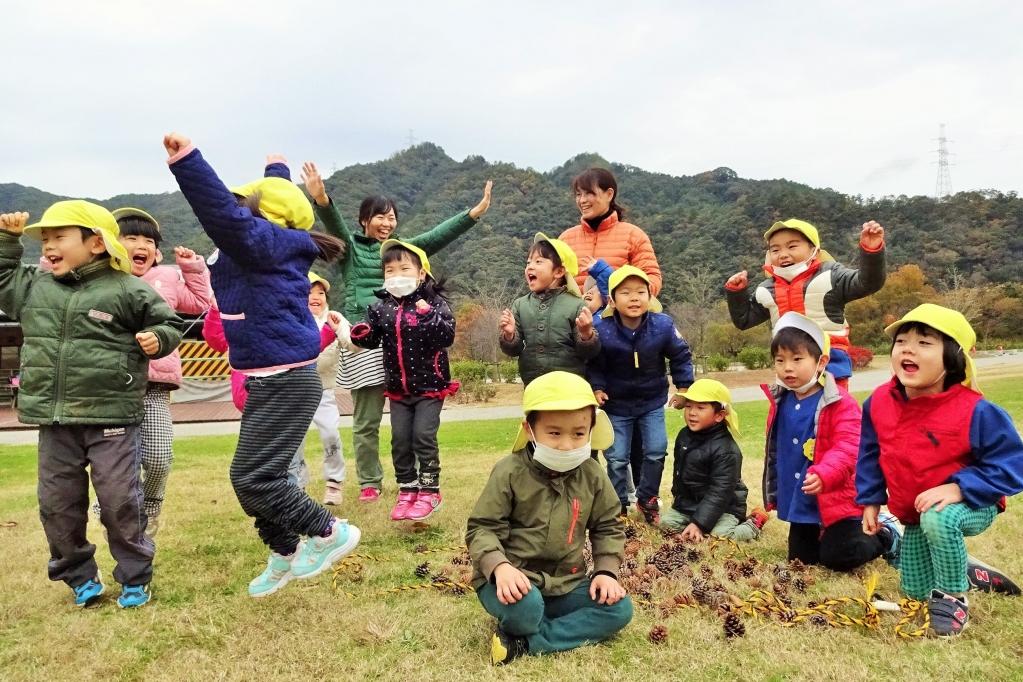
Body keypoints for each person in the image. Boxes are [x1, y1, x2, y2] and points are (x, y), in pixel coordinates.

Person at [165, 133, 360, 597]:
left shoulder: (260, 241)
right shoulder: (270, 239)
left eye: (245, 202)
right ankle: (285, 551)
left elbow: (223, 212)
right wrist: (278, 170)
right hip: (269, 377)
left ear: (260, 216)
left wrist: (187, 162)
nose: (236, 207)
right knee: (251, 477)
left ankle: (329, 532)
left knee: (253, 477)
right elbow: (277, 201)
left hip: (284, 379)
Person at [0, 204, 182, 608]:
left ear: (96, 243)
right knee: (57, 505)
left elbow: (169, 322)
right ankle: (79, 575)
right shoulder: (35, 286)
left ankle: (135, 576)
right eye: (45, 240)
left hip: (113, 416)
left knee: (120, 501)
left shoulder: (127, 288)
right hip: (55, 420)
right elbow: (2, 278)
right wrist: (7, 243)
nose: (48, 246)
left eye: (59, 237)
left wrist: (158, 336)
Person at [302, 162, 491, 503]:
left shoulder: (400, 251)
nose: (387, 224)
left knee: (409, 414)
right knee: (367, 418)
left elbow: (436, 237)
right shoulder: (350, 248)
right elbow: (335, 225)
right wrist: (321, 199)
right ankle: (370, 481)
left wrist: (471, 214)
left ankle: (417, 481)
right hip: (363, 340)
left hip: (400, 339)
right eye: (380, 217)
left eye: (392, 218)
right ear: (365, 220)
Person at [857, 304, 1023, 636]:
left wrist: (959, 487)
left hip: (972, 503)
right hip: (915, 512)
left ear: (952, 357)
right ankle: (969, 571)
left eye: (924, 342)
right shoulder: (878, 403)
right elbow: (870, 454)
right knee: (916, 593)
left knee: (939, 518)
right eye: (901, 340)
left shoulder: (976, 410)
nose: (908, 348)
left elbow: (1013, 465)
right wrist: (871, 500)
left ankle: (954, 596)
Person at [466, 371, 633, 665]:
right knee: (527, 609)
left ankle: (527, 642)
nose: (567, 444)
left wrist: (606, 572)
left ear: (591, 429)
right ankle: (532, 621)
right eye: (554, 433)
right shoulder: (509, 472)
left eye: (579, 433)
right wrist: (500, 568)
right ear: (529, 429)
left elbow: (608, 526)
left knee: (619, 609)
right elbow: (482, 528)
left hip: (567, 583)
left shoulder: (593, 474)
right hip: (513, 580)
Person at [88, 207, 211, 537]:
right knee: (112, 461)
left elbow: (202, 302)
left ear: (156, 252)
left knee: (159, 456)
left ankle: (152, 505)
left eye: (148, 240)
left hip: (154, 385)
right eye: (131, 238)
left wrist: (192, 268)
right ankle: (107, 507)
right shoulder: (98, 278)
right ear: (110, 243)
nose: (140, 245)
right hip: (110, 387)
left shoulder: (168, 278)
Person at [762, 312, 899, 572]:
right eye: (780, 360)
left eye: (797, 359)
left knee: (840, 557)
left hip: (837, 499)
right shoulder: (781, 400)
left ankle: (887, 535)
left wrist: (825, 473)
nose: (787, 367)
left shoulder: (839, 402)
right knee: (801, 561)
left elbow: (849, 447)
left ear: (821, 362)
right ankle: (824, 536)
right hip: (804, 501)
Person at [346, 240, 457, 522]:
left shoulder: (434, 303)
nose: (396, 275)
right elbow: (371, 339)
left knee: (423, 436)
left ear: (421, 274)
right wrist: (359, 332)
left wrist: (427, 315)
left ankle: (430, 491)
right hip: (398, 389)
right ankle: (407, 490)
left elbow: (446, 337)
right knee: (400, 441)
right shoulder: (380, 308)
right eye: (390, 270)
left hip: (430, 387)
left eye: (404, 268)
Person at [588, 265, 694, 522]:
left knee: (657, 450)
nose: (634, 298)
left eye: (640, 292)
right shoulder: (602, 328)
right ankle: (617, 507)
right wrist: (597, 388)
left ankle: (647, 499)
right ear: (612, 300)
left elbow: (681, 355)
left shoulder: (663, 325)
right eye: (625, 292)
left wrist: (684, 389)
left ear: (650, 297)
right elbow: (594, 362)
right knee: (616, 457)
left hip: (652, 402)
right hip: (617, 405)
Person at [725, 219, 885, 384]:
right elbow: (743, 320)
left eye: (792, 246)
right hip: (788, 364)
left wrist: (871, 251)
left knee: (832, 408)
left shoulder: (832, 275)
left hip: (829, 361)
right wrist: (736, 293)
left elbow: (868, 283)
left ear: (814, 250)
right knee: (788, 409)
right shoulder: (766, 289)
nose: (783, 254)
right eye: (775, 249)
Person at [662, 379, 768, 541]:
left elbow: (720, 492)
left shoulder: (726, 450)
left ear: (719, 415)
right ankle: (699, 524)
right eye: (689, 406)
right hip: (690, 504)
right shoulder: (684, 436)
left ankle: (753, 524)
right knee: (666, 524)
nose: (692, 412)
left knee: (720, 537)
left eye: (701, 408)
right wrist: (681, 503)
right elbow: (679, 473)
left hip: (725, 507)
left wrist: (699, 523)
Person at [499, 233, 599, 385]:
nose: (530, 266)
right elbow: (514, 350)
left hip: (569, 386)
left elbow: (589, 353)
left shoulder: (577, 305)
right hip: (534, 385)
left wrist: (586, 334)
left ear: (558, 272)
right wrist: (509, 335)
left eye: (538, 261)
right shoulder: (520, 305)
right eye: (528, 263)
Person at [288, 273, 348, 505]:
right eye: (309, 293)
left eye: (320, 293)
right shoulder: (290, 319)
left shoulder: (333, 317)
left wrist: (354, 335)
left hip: (323, 390)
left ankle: (334, 483)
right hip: (295, 389)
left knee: (330, 433)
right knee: (295, 439)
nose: (315, 297)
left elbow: (350, 340)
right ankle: (297, 484)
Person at [558, 167, 661, 295]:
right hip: (574, 314)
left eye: (589, 193)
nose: (582, 200)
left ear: (609, 194)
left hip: (617, 314)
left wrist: (624, 298)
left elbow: (652, 279)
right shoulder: (565, 239)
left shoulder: (634, 235)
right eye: (578, 194)